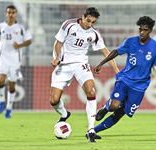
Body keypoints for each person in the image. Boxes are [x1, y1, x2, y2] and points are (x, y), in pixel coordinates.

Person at [50, 7, 119, 142]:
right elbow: (58, 43)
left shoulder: (95, 33)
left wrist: (117, 71)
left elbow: (106, 53)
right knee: (54, 100)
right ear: (83, 17)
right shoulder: (69, 25)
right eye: (88, 21)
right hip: (63, 65)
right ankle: (64, 114)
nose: (90, 25)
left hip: (81, 65)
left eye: (93, 22)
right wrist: (56, 57)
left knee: (91, 91)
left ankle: (91, 130)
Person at [93, 16, 156, 135]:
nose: (142, 32)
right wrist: (101, 63)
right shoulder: (130, 42)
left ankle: (93, 131)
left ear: (151, 30)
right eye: (140, 29)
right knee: (113, 106)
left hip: (140, 86)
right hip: (125, 79)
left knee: (120, 113)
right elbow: (116, 52)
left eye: (145, 30)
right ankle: (105, 108)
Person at [0, 5, 32, 118]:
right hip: (2, 58)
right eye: (9, 13)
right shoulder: (1, 26)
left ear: (16, 14)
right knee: (1, 80)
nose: (10, 15)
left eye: (13, 13)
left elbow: (29, 40)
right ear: (6, 14)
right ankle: (2, 101)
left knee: (11, 85)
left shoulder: (21, 27)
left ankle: (9, 109)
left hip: (15, 60)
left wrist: (19, 45)